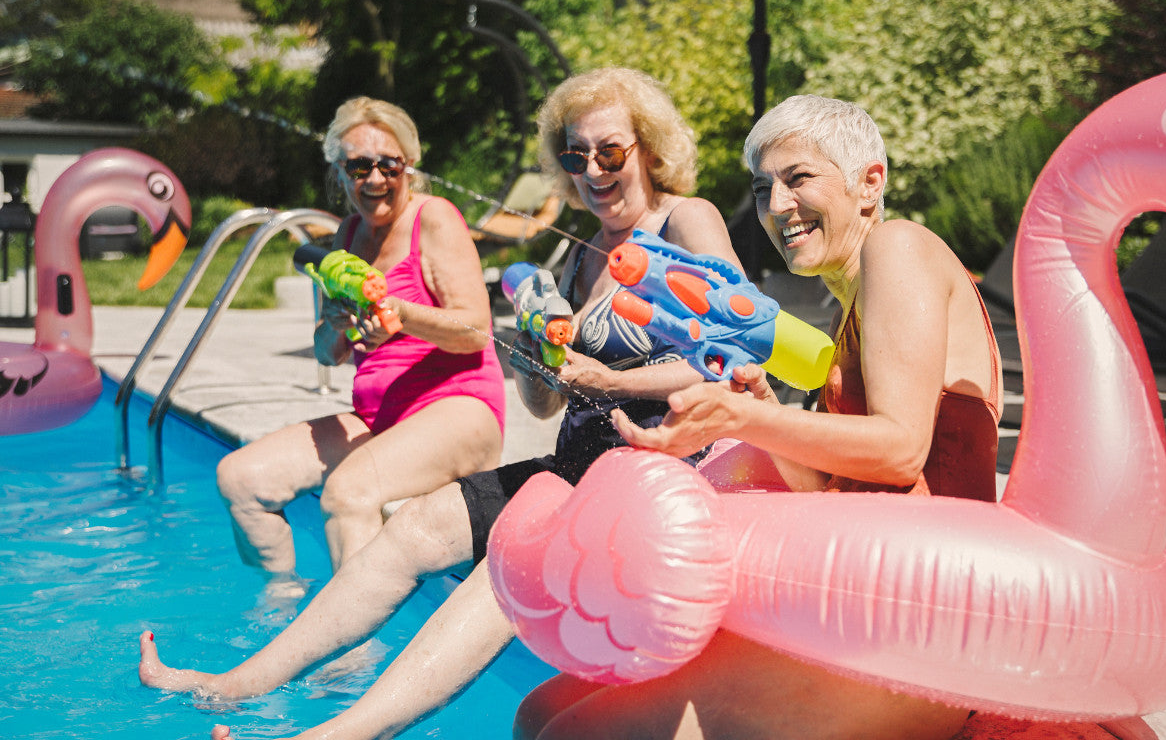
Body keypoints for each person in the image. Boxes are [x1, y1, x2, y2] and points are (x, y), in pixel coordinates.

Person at [137, 67, 742, 740]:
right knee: (416, 528)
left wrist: (610, 383)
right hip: (578, 464)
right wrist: (536, 355)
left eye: (610, 151)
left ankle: (332, 735)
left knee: (504, 565)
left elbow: (741, 354)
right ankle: (238, 684)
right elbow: (543, 406)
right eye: (575, 156)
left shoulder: (685, 220)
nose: (592, 170)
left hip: (656, 474)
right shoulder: (577, 257)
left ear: (648, 148)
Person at [517, 93, 1003, 739]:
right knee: (540, 712)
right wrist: (758, 410)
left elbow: (901, 450)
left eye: (798, 178)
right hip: (864, 601)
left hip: (925, 628)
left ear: (869, 182)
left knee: (569, 732)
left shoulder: (899, 247)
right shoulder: (852, 306)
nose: (776, 207)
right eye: (762, 187)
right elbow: (836, 486)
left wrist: (739, 421)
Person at [213, 96, 506, 578]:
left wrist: (401, 312)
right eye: (358, 166)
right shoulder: (349, 234)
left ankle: (354, 651)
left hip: (459, 409)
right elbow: (328, 356)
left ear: (408, 164)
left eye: (388, 165)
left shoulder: (434, 218)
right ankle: (280, 612)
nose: (374, 179)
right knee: (241, 479)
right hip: (380, 416)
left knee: (347, 494)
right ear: (341, 172)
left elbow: (476, 332)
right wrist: (333, 323)